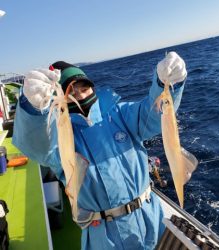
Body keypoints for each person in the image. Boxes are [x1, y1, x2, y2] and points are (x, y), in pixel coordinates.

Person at [13, 51, 187, 250]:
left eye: (84, 87)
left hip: (151, 219)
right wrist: (34, 109)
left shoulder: (120, 114)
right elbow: (38, 144)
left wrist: (168, 83)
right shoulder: (59, 133)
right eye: (70, 91)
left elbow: (154, 114)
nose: (79, 94)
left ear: (92, 87)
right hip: (104, 235)